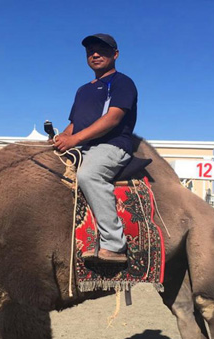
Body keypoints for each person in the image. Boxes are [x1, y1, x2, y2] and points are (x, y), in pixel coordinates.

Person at [53, 33, 138, 264]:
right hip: (84, 146)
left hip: (112, 145)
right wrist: (63, 137)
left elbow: (113, 118)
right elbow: (75, 124)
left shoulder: (122, 82)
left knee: (89, 175)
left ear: (115, 54)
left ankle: (114, 244)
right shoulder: (82, 90)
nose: (95, 54)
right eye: (91, 51)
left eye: (102, 50)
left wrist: (74, 140)